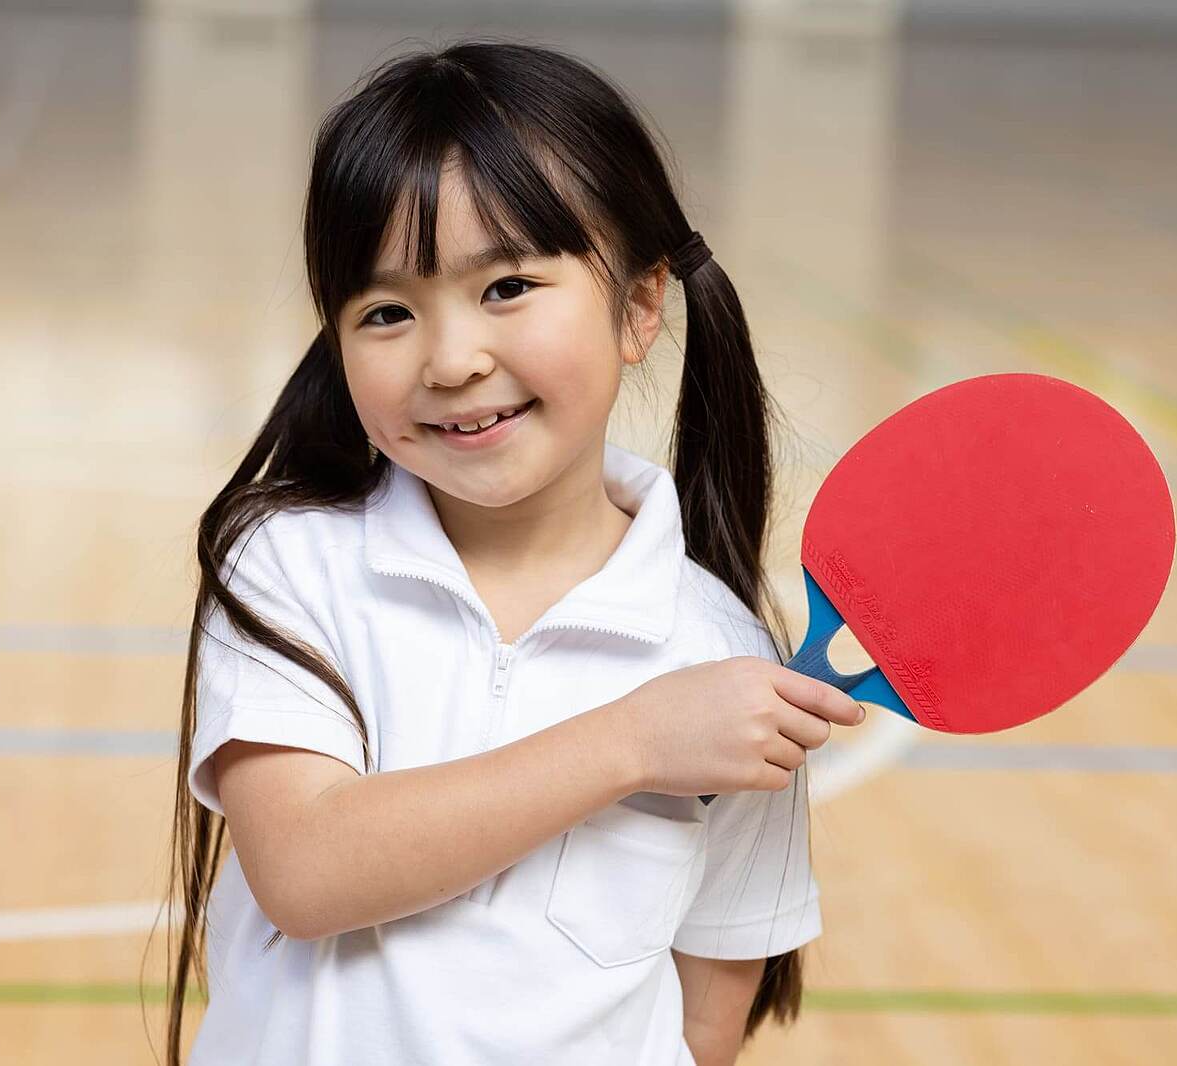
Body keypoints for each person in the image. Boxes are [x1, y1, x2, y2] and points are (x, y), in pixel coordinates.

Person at [160, 37, 866, 1066]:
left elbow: (706, 1007)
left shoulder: (721, 654)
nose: (452, 360)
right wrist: (632, 741)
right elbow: (306, 870)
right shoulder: (290, 563)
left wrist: (679, 724)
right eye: (388, 311)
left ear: (636, 306)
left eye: (506, 289)